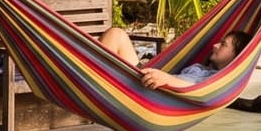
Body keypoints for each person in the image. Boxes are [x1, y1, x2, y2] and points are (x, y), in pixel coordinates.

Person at [97, 26, 244, 90]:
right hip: (143, 81)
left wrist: (167, 80)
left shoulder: (220, 81)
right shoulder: (201, 68)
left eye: (223, 44)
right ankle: (92, 80)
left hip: (147, 93)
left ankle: (93, 85)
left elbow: (200, 91)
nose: (215, 45)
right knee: (116, 34)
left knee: (114, 36)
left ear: (236, 56)